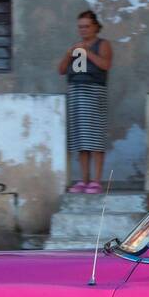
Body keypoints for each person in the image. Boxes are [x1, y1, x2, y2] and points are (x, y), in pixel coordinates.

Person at [58, 10, 113, 193]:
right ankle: (84, 180)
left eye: (86, 26)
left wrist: (87, 51)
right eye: (80, 27)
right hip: (76, 91)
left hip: (94, 92)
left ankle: (96, 180)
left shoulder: (102, 44)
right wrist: (69, 54)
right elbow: (61, 70)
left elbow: (105, 65)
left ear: (96, 27)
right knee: (80, 138)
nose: (83, 30)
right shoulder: (75, 47)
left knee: (94, 137)